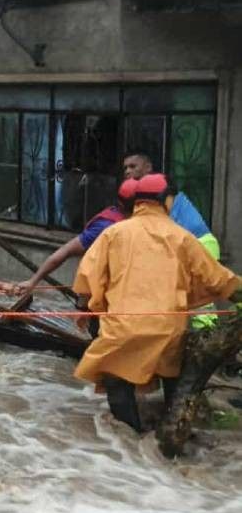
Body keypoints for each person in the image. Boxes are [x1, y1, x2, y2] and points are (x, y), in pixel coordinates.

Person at [73, 174, 240, 433]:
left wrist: (85, 308)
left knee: (117, 380)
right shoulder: (182, 237)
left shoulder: (113, 234)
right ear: (164, 200)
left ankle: (129, 443)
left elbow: (86, 278)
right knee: (173, 377)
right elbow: (219, 279)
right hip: (168, 329)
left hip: (122, 329)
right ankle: (170, 437)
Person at [20, 151, 222, 319]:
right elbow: (78, 264)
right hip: (182, 252)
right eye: (125, 168)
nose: (128, 171)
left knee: (198, 309)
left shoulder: (158, 197)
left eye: (133, 167)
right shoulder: (111, 226)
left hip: (196, 245)